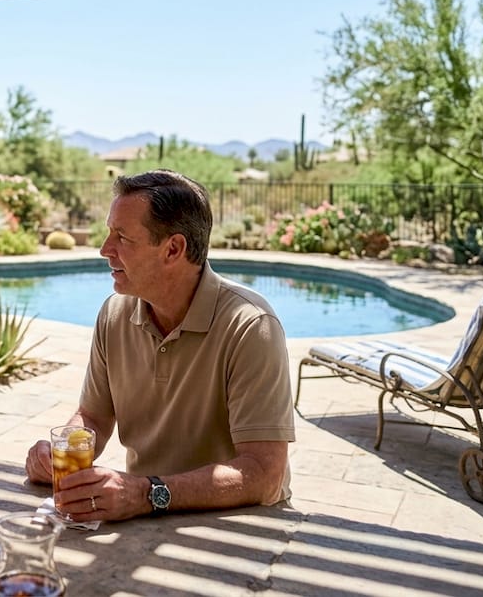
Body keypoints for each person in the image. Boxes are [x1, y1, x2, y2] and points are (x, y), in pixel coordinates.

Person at [25, 169, 294, 520]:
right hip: (146, 517)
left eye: (122, 237)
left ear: (173, 249)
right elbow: (93, 415)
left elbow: (264, 475)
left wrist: (147, 493)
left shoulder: (251, 326)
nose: (105, 249)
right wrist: (61, 451)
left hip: (239, 527)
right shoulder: (115, 313)